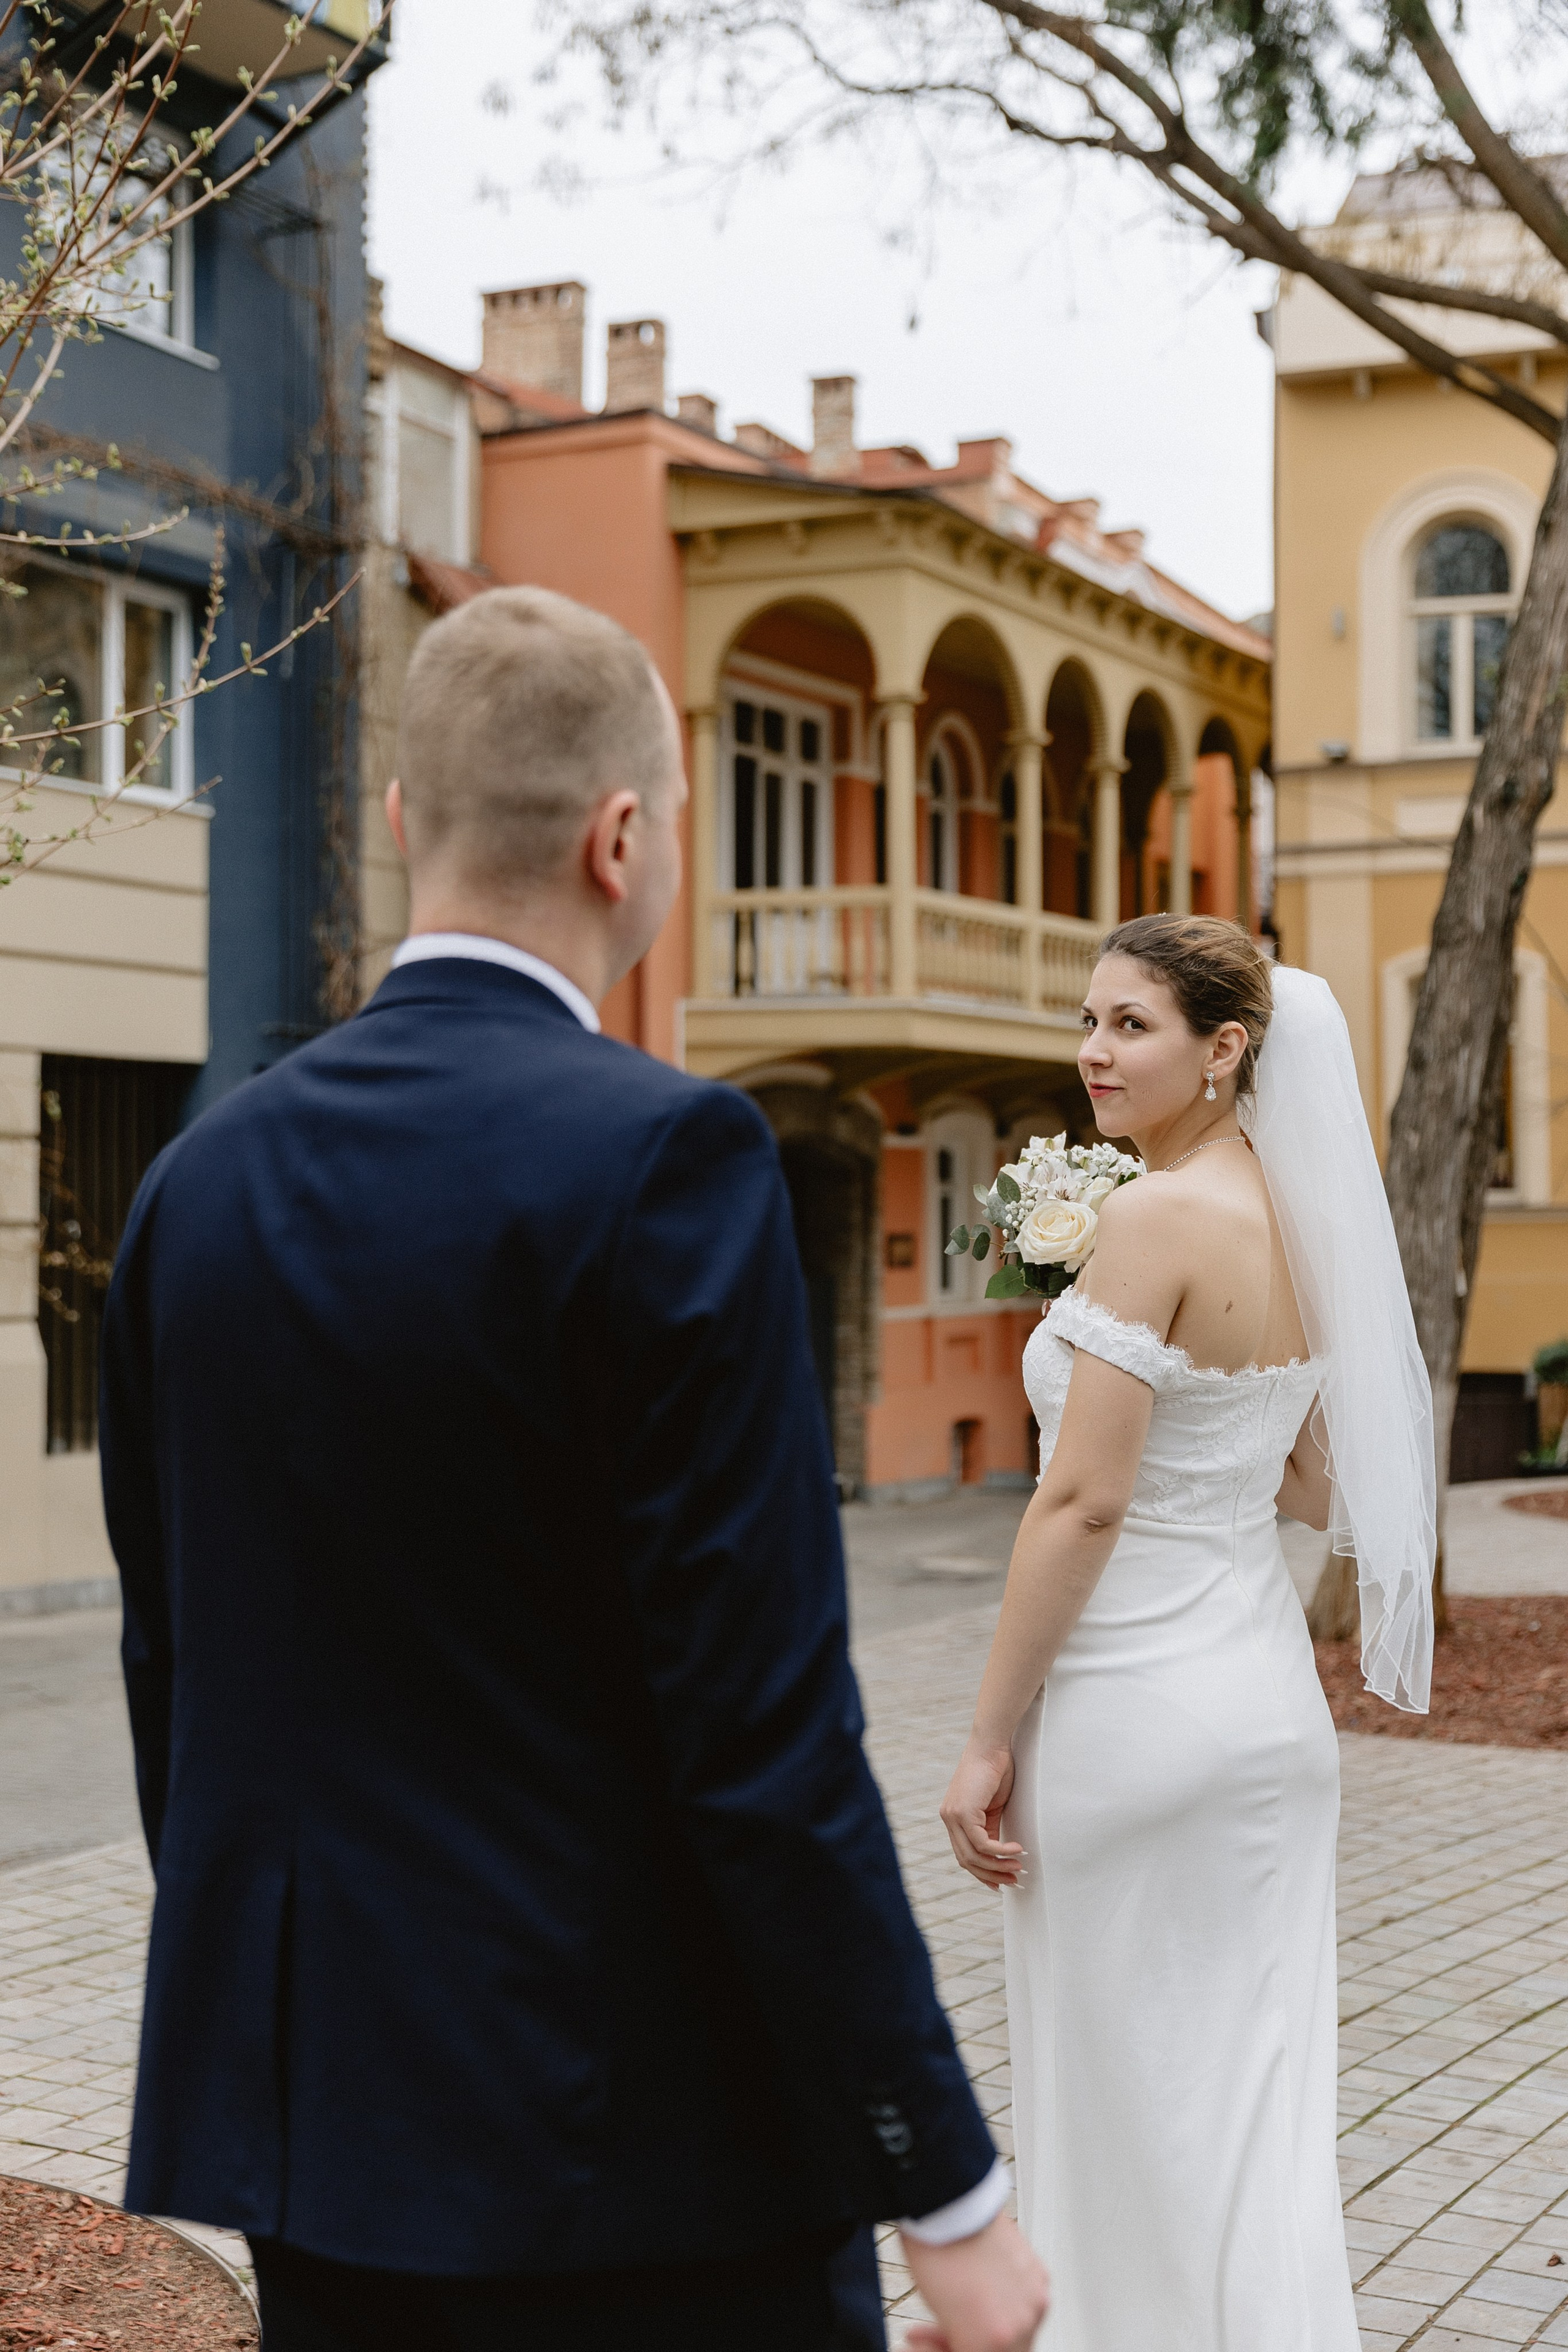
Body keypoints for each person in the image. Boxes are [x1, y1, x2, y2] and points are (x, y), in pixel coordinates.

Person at [99, 586, 1049, 2352]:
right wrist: (950, 2184)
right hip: (644, 2168)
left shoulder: (194, 1190)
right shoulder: (670, 1159)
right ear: (625, 840)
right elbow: (764, 1743)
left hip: (327, 2153)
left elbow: (179, 1692)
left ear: (403, 824)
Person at [938, 914, 1436, 2351]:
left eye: (1129, 1025)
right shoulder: (1294, 1217)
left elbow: (1080, 1505)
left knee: (1119, 2105)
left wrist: (981, 1739)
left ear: (1223, 1050)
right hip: (1265, 1722)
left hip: (1130, 1716)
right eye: (1087, 1020)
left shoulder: (1152, 1222)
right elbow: (1299, 1477)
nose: (1092, 1049)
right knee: (1244, 2114)